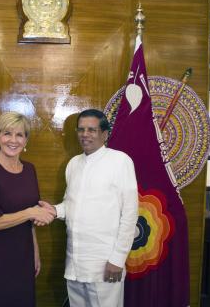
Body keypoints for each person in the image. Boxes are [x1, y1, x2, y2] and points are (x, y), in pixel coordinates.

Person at [39, 109, 139, 307]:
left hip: (105, 264)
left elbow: (130, 214)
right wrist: (53, 210)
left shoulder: (121, 161)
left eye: (92, 130)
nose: (85, 135)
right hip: (75, 263)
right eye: (81, 129)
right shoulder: (73, 164)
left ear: (104, 134)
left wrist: (118, 259)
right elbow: (71, 205)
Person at [0, 111, 55, 307]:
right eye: (7, 133)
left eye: (19, 135)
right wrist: (30, 212)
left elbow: (31, 223)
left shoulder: (30, 170)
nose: (13, 140)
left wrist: (35, 251)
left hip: (24, 254)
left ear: (26, 140)